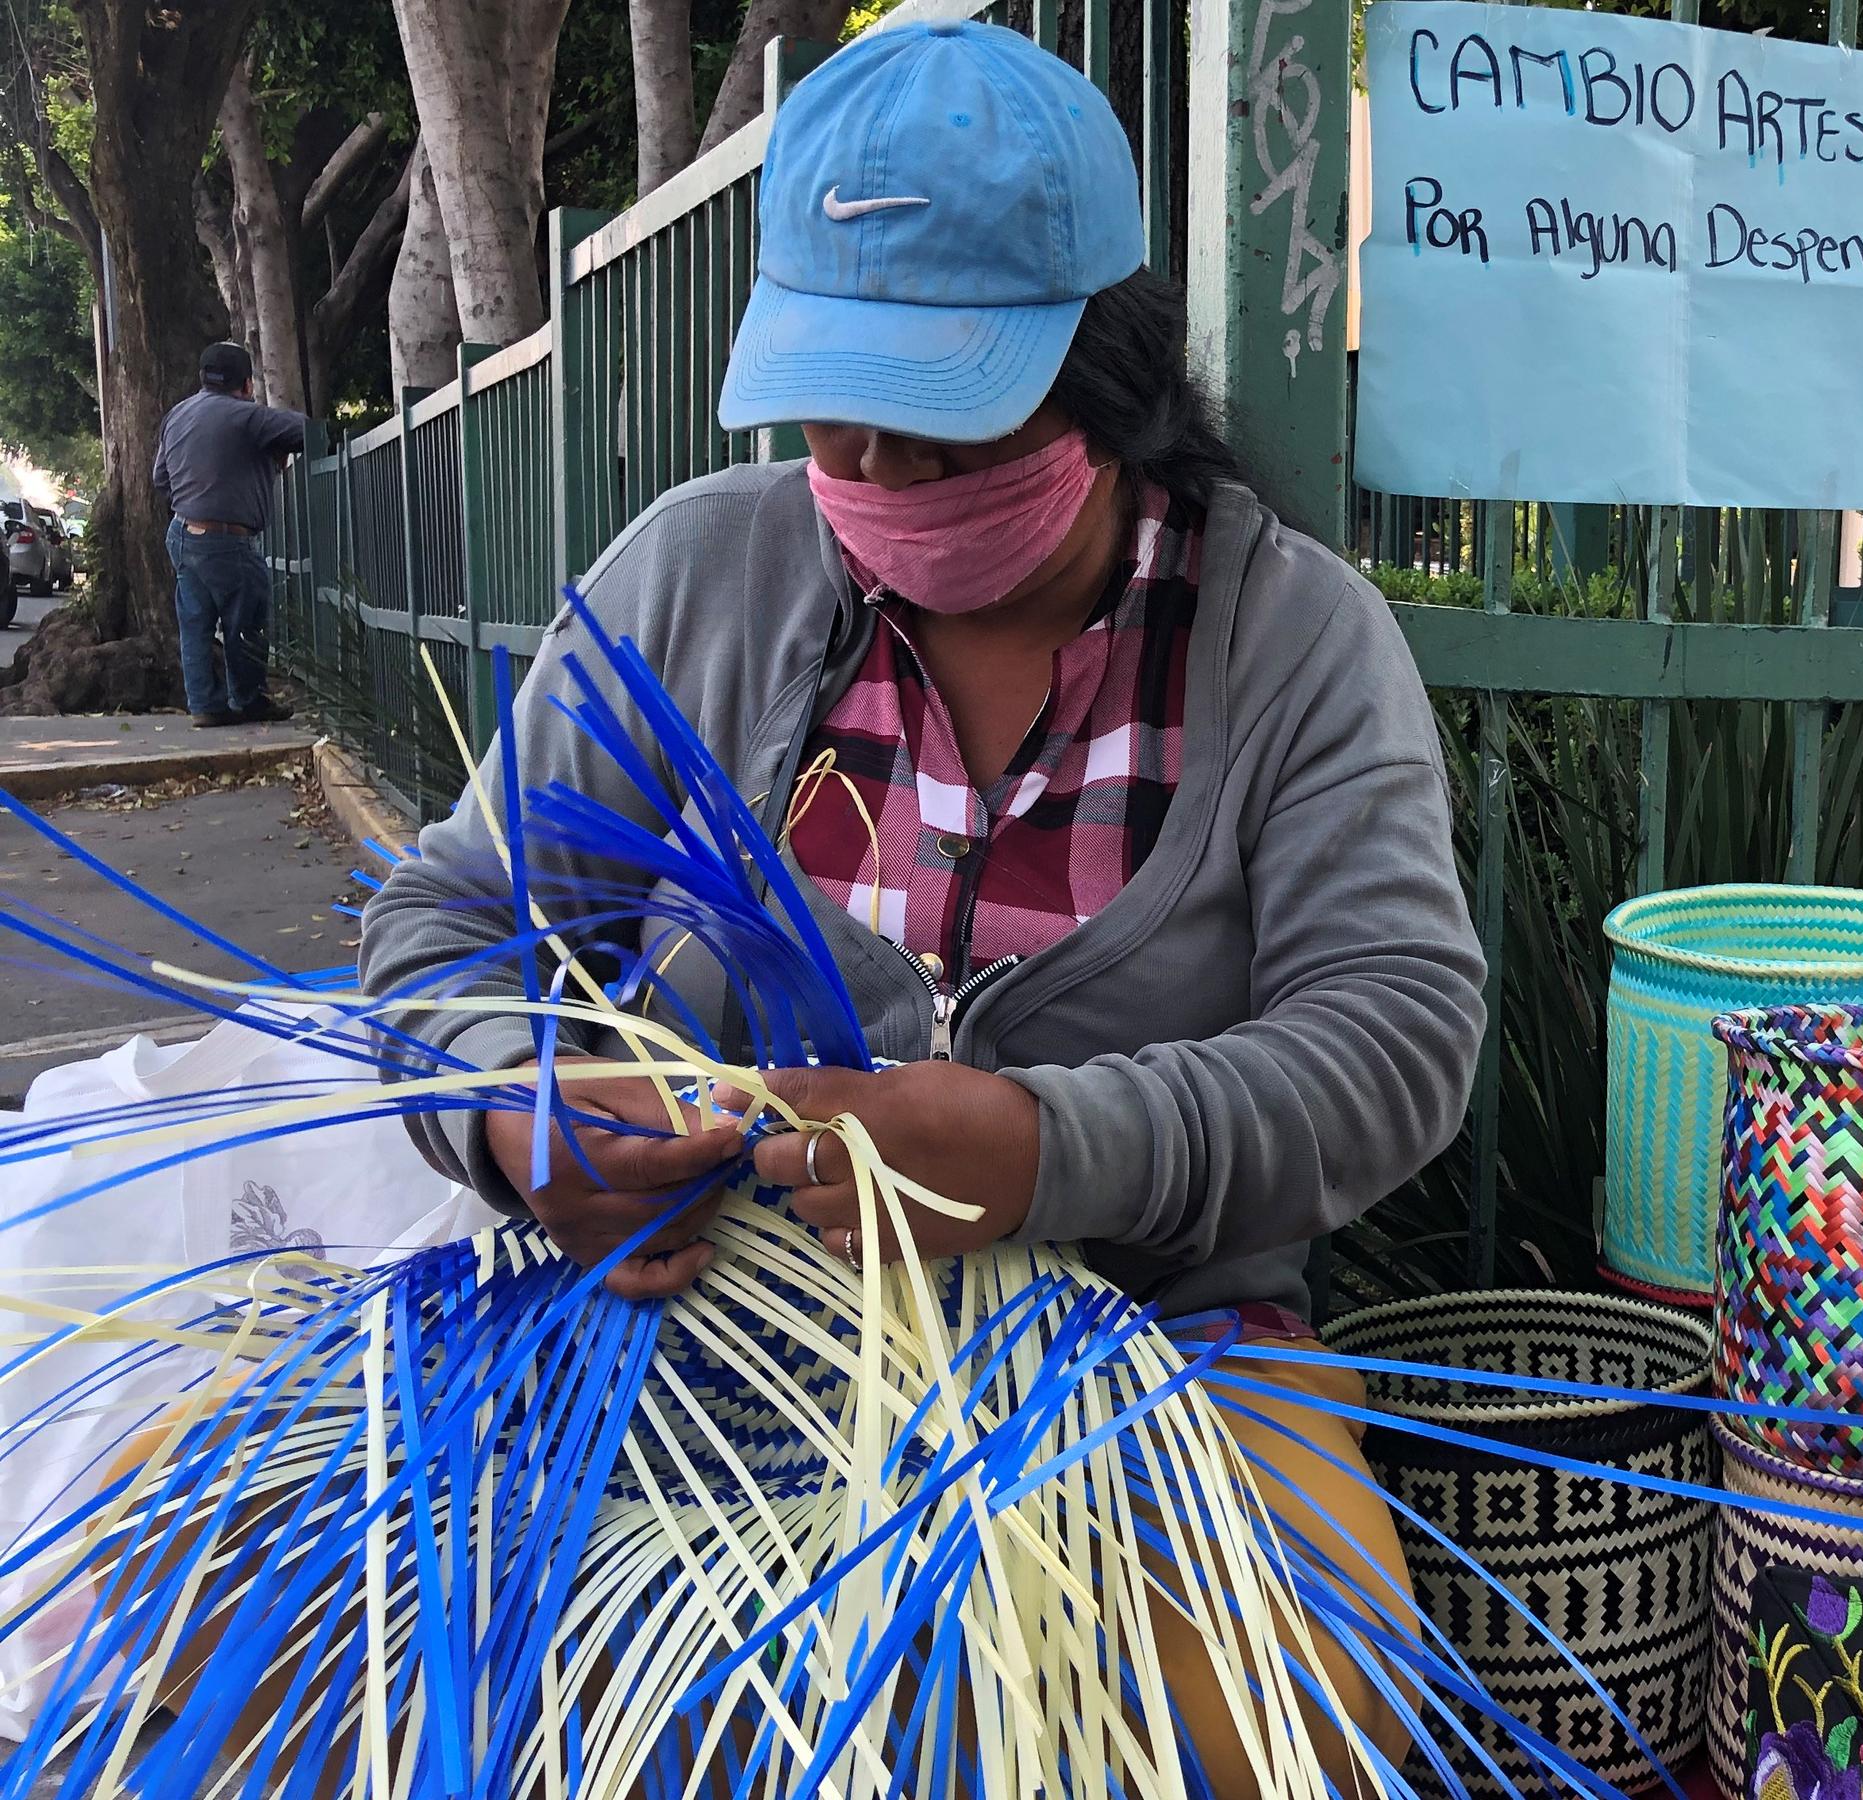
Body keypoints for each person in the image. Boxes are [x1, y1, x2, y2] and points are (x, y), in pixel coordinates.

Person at [357, 17, 1482, 1789]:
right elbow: (443, 925)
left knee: (1302, 1723)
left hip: (1163, 1341)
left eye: (945, 439)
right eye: (833, 421)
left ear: (1104, 386)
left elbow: (1397, 1040)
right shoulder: (696, 580)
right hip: (713, 1327)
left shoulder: (1293, 640)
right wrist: (511, 1116)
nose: (871, 481)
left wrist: (1050, 1149)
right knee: (461, 1697)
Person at [149, 341, 307, 727]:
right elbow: (307, 430)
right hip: (228, 539)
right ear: (248, 384)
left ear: (203, 377)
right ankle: (249, 699)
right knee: (245, 623)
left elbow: (160, 478)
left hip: (183, 532)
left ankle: (203, 704)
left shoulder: (177, 415)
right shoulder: (248, 417)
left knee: (195, 625)